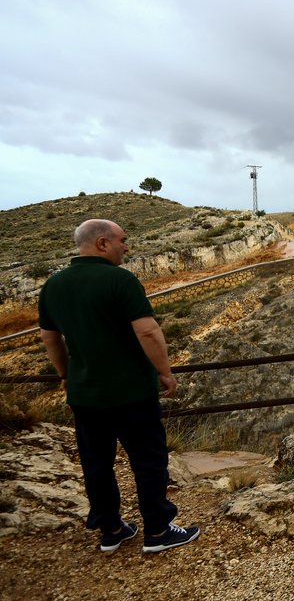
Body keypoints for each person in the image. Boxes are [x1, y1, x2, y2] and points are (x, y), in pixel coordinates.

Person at [38, 219, 200, 554]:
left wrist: (67, 374)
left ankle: (111, 529)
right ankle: (157, 531)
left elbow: (49, 338)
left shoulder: (53, 285)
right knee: (148, 459)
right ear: (102, 243)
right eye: (123, 240)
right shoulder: (120, 280)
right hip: (131, 392)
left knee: (96, 463)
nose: (126, 246)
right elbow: (148, 331)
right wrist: (165, 372)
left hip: (85, 395)